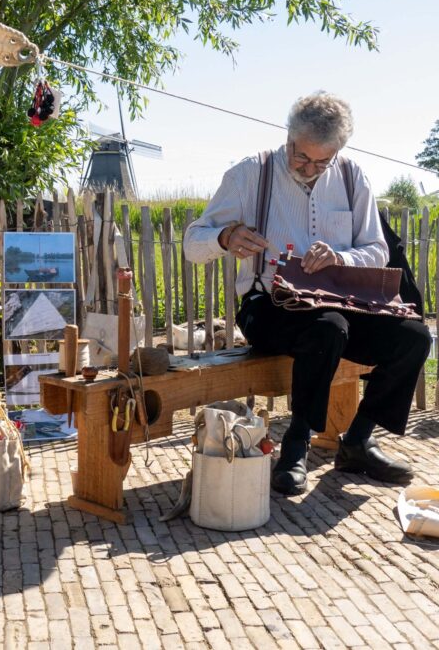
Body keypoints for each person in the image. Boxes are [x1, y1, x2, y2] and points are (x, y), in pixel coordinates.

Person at [184, 92, 430, 496]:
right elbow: (194, 244)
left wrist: (341, 257)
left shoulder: (353, 177)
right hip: (268, 306)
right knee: (327, 330)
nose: (311, 169)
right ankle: (295, 446)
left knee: (414, 338)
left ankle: (357, 441)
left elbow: (377, 249)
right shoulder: (251, 173)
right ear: (288, 140)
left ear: (338, 151)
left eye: (322, 162)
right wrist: (226, 237)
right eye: (302, 158)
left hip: (338, 302)